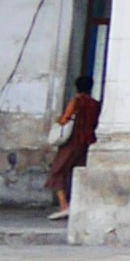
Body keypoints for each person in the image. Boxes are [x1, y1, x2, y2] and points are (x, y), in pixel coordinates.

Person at [47, 84, 102, 219]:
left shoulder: (76, 102)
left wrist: (59, 120)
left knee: (57, 171)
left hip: (72, 141)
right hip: (87, 142)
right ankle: (79, 203)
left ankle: (64, 205)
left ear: (76, 88)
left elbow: (65, 119)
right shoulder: (96, 104)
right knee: (78, 171)